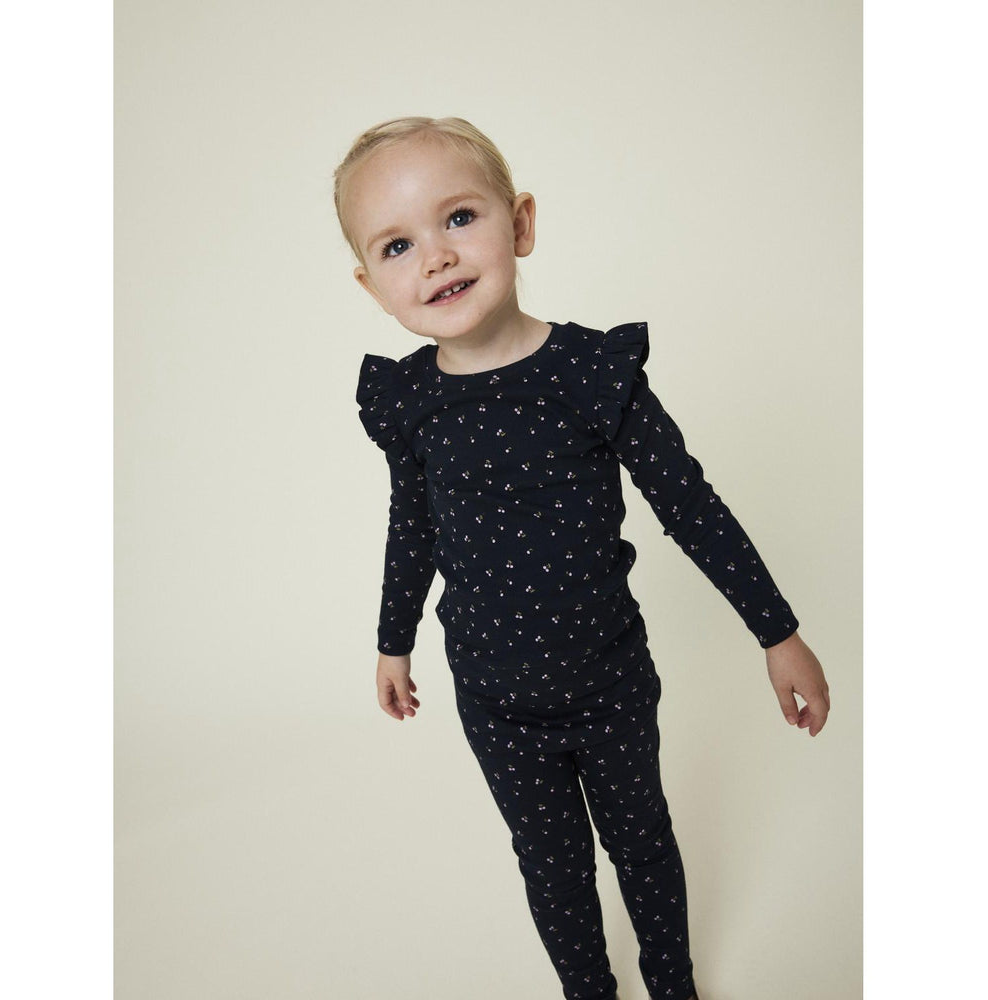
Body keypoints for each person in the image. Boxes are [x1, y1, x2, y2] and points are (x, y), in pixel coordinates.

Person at [334, 115, 830, 1000]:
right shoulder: (410, 402)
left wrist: (777, 633)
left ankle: (672, 984)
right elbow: (414, 526)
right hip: (494, 696)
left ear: (520, 223)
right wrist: (391, 641)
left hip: (608, 683)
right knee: (552, 865)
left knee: (643, 845)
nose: (437, 257)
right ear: (373, 286)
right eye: (398, 245)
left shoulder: (594, 373)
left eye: (460, 218)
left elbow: (691, 507)